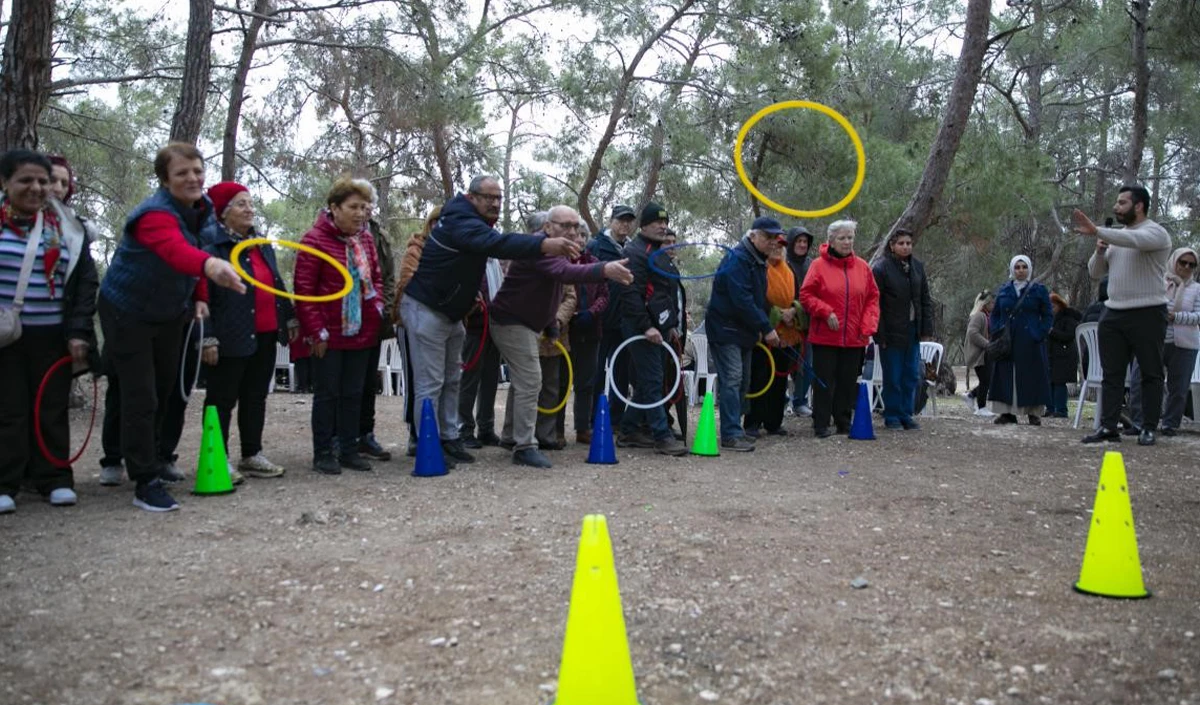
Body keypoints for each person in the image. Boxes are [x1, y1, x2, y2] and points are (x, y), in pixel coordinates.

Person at [98, 142, 246, 512]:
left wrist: (199, 295)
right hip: (126, 310)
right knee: (140, 394)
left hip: (169, 311)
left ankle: (159, 459)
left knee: (167, 390)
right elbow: (178, 252)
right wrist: (211, 270)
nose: (193, 178)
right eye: (182, 173)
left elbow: (198, 248)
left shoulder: (203, 209)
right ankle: (144, 481)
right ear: (165, 180)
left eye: (197, 170)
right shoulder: (153, 215)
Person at [400, 176, 578, 470]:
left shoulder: (473, 223)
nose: (495, 203)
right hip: (426, 308)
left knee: (452, 379)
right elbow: (499, 244)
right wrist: (544, 245)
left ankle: (448, 437)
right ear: (471, 197)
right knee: (430, 382)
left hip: (452, 313)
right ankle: (427, 444)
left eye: (499, 197)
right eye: (488, 197)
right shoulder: (461, 221)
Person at [488, 206, 632, 468]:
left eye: (575, 226)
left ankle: (512, 437)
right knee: (532, 380)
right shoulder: (537, 247)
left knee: (526, 381)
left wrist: (550, 325)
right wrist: (605, 269)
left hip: (529, 324)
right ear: (547, 228)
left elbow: (551, 291)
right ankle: (524, 446)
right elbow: (567, 275)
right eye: (564, 226)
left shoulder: (558, 253)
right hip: (510, 321)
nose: (572, 232)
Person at [0, 149, 99, 513]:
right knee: (9, 411)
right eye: (26, 180)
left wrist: (79, 333)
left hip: (54, 335)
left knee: (51, 409)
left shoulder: (68, 229)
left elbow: (85, 283)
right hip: (5, 339)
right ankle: (6, 484)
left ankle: (55, 479)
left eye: (43, 181)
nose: (37, 188)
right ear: (5, 182)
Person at [198, 181, 297, 480]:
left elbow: (275, 282)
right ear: (223, 212)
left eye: (251, 204)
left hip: (265, 332)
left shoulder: (260, 244)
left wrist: (289, 317)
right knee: (222, 397)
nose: (249, 209)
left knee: (256, 396)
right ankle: (218, 457)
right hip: (230, 334)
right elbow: (202, 294)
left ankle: (251, 454)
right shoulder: (211, 245)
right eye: (241, 204)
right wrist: (207, 336)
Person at [293, 177, 384, 475]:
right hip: (328, 333)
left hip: (363, 330)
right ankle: (323, 452)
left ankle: (348, 449)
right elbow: (304, 290)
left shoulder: (366, 239)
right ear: (334, 208)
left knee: (354, 392)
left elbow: (377, 277)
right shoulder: (314, 240)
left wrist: (378, 305)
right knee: (328, 392)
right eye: (353, 207)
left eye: (364, 207)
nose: (360, 213)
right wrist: (315, 330)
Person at [1074, 185, 1172, 445]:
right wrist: (1099, 249)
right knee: (1112, 374)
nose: (1116, 208)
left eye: (1122, 203)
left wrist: (1099, 230)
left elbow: (1135, 241)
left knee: (1151, 372)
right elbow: (1095, 273)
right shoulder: (1116, 238)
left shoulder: (1155, 233)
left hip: (1148, 312)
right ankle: (1108, 427)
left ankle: (1148, 427)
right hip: (1114, 313)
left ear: (1138, 206)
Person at [612, 202, 688, 456]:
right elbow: (630, 294)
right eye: (657, 222)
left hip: (660, 330)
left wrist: (670, 326)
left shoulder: (659, 253)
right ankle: (661, 435)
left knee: (647, 384)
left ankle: (629, 430)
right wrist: (646, 328)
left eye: (665, 222)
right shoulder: (636, 253)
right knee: (653, 380)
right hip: (640, 328)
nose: (663, 226)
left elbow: (666, 294)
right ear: (643, 225)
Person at [705, 218, 783, 450]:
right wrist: (766, 327)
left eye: (774, 238)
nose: (772, 242)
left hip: (744, 332)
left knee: (743, 382)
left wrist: (760, 327)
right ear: (753, 236)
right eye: (767, 237)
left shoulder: (758, 260)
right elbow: (742, 299)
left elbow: (758, 298)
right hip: (725, 329)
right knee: (732, 379)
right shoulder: (738, 258)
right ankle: (730, 433)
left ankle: (735, 428)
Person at [799, 220, 879, 438]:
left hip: (855, 337)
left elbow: (873, 298)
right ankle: (821, 424)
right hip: (825, 336)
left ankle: (844, 421)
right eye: (842, 238)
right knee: (824, 381)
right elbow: (805, 295)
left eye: (850, 237)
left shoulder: (863, 267)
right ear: (831, 240)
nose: (847, 242)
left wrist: (868, 325)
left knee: (847, 381)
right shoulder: (818, 266)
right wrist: (825, 311)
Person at [1128, 247, 1200, 437]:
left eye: (1191, 264)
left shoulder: (1196, 289)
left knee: (1179, 386)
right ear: (1173, 261)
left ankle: (1170, 424)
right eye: (1182, 262)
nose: (1186, 267)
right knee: (1139, 380)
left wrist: (1176, 317)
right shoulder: (1157, 282)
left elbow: (1198, 316)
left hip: (1184, 343)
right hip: (1152, 339)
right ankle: (1138, 422)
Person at [871, 229, 934, 430]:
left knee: (911, 375)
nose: (906, 246)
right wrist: (879, 334)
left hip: (912, 330)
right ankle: (892, 415)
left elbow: (925, 299)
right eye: (901, 243)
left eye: (909, 243)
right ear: (892, 246)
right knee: (893, 376)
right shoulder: (881, 269)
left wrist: (926, 327)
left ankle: (907, 414)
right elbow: (875, 303)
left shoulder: (917, 267)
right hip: (891, 332)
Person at [743, 228, 802, 438]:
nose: (777, 248)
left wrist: (793, 310)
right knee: (759, 377)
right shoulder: (759, 268)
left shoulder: (790, 271)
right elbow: (756, 298)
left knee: (779, 380)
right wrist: (775, 313)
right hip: (762, 333)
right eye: (774, 244)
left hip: (786, 334)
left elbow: (798, 296)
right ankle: (752, 422)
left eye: (781, 246)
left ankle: (774, 423)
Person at [356, 181, 397, 462]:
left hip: (374, 318)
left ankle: (365, 436)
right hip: (342, 321)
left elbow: (388, 275)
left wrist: (387, 307)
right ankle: (338, 438)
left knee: (368, 381)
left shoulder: (378, 235)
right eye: (359, 203)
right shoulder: (325, 232)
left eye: (368, 203)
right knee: (344, 384)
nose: (365, 209)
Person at [986, 255, 1052, 425]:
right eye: (1017, 267)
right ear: (1012, 269)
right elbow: (995, 314)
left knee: (1032, 376)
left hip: (1030, 342)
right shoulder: (1004, 290)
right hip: (1007, 341)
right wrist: (997, 332)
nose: (1021, 270)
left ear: (1029, 269)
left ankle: (1033, 413)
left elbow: (1047, 315)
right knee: (1006, 375)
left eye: (1024, 267)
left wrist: (1038, 334)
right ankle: (1007, 413)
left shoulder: (1039, 290)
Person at [589, 204, 639, 429]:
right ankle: (592, 419)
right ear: (611, 221)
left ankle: (616, 419)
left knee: (621, 373)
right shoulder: (596, 246)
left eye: (629, 220)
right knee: (596, 372)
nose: (625, 224)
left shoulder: (632, 250)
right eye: (621, 220)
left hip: (625, 322)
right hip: (599, 321)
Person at [568, 222, 609, 446]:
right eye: (577, 236)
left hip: (591, 329)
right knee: (561, 381)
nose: (581, 240)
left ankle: (583, 428)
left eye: (584, 235)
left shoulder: (595, 264)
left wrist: (591, 313)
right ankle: (554, 430)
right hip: (565, 330)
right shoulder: (560, 262)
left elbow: (604, 295)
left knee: (586, 382)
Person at [784, 226, 815, 416]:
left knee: (806, 365)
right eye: (798, 241)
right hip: (785, 323)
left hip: (808, 323)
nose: (802, 245)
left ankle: (800, 401)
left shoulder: (812, 264)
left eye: (805, 242)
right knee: (784, 364)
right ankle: (781, 400)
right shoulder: (783, 263)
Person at [1046, 293, 1081, 418]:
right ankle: (1050, 408)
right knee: (1049, 382)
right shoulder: (1049, 318)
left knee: (1059, 383)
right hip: (1051, 354)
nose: (1051, 309)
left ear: (1060, 305)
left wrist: (1052, 331)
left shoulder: (1068, 318)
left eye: (1053, 306)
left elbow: (1069, 336)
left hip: (1064, 355)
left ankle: (1061, 410)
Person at [962, 291, 994, 417]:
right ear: (985, 304)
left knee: (988, 379)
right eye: (991, 302)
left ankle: (971, 395)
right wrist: (987, 344)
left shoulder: (986, 315)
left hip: (985, 353)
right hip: (979, 355)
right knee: (986, 379)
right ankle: (981, 407)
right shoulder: (979, 316)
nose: (993, 305)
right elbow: (972, 333)